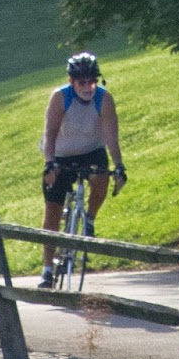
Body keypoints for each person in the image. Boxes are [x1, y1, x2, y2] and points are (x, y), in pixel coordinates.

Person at [38, 52, 126, 289]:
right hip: (61, 152)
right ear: (71, 81)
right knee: (52, 211)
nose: (88, 87)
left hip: (91, 150)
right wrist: (50, 163)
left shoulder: (104, 99)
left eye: (92, 82)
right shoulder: (60, 97)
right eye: (82, 82)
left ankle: (89, 219)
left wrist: (119, 166)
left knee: (101, 177)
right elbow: (50, 132)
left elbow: (111, 136)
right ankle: (47, 270)